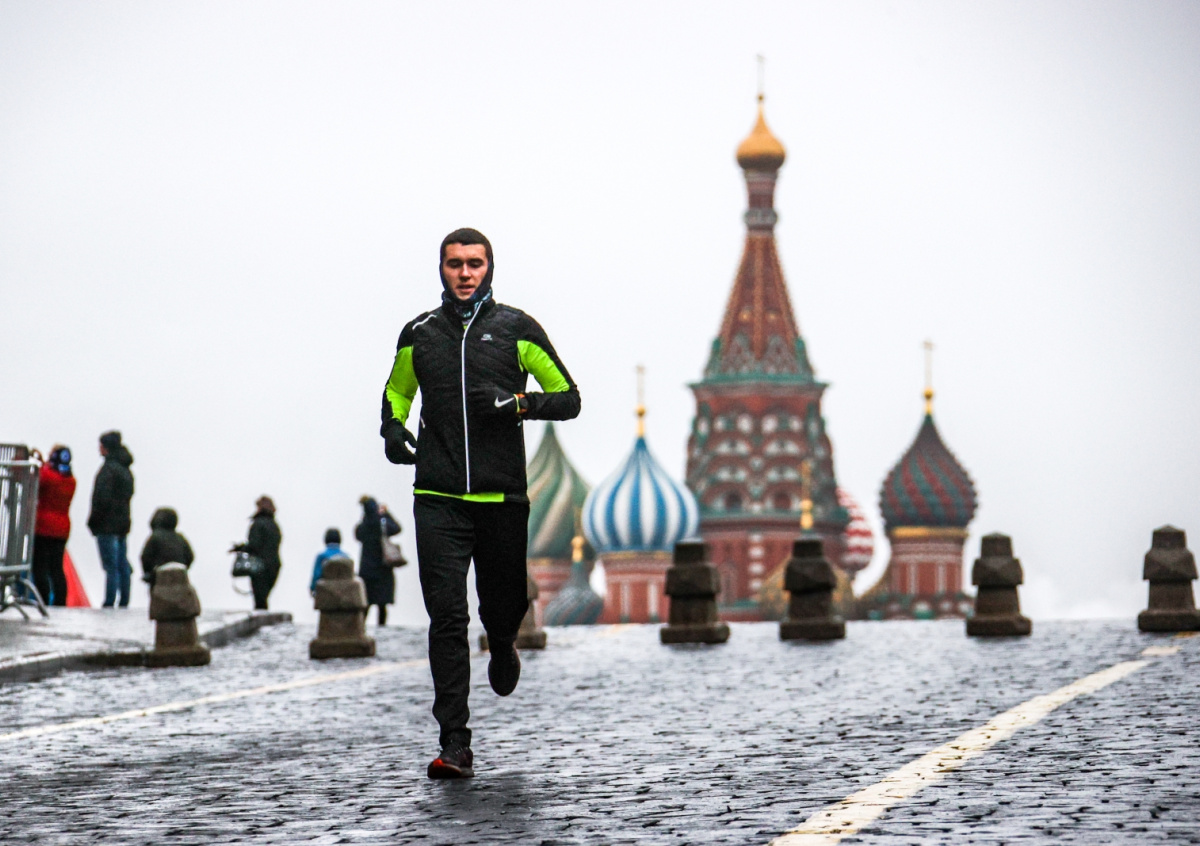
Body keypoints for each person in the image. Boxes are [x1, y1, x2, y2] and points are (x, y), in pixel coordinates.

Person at [380, 227, 580, 779]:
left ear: (489, 268)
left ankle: (504, 640)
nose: (465, 273)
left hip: (501, 497)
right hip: (437, 496)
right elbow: (398, 390)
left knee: (501, 604)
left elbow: (568, 398)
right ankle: (455, 743)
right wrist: (392, 428)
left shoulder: (517, 329)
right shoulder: (419, 333)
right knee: (447, 617)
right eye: (455, 264)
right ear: (441, 270)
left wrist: (518, 403)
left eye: (474, 263)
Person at [86, 431, 134, 608]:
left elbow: (101, 499)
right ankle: (124, 599)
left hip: (106, 525)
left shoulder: (108, 470)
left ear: (106, 447)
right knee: (122, 564)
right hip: (122, 524)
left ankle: (109, 600)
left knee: (110, 566)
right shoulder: (125, 469)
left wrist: (93, 521)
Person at [32, 445, 77, 606]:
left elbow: (41, 477)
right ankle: (60, 601)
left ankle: (42, 599)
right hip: (62, 528)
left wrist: (40, 462)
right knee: (56, 567)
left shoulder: (48, 476)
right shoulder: (70, 480)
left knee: (40, 567)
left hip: (44, 527)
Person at [354, 496, 400, 626]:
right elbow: (397, 528)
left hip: (366, 570)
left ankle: (361, 627)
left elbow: (357, 535)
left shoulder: (363, 526)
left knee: (366, 602)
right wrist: (386, 514)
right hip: (383, 568)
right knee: (382, 604)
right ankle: (381, 628)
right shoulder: (382, 523)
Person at [231, 496, 282, 610]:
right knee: (264, 598)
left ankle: (261, 619)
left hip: (260, 566)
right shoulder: (275, 525)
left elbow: (254, 545)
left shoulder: (257, 524)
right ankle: (265, 618)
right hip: (274, 565)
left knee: (259, 600)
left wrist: (240, 548)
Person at [139, 508, 195, 590]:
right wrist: (183, 566)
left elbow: (145, 557)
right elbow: (190, 556)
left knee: (160, 596)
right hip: (180, 572)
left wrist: (148, 573)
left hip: (162, 574)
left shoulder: (155, 536)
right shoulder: (180, 537)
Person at [310, 528, 348, 594]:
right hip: (343, 593)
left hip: (326, 593)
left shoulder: (321, 556)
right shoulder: (346, 557)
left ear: (325, 540)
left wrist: (312, 589)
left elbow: (316, 575)